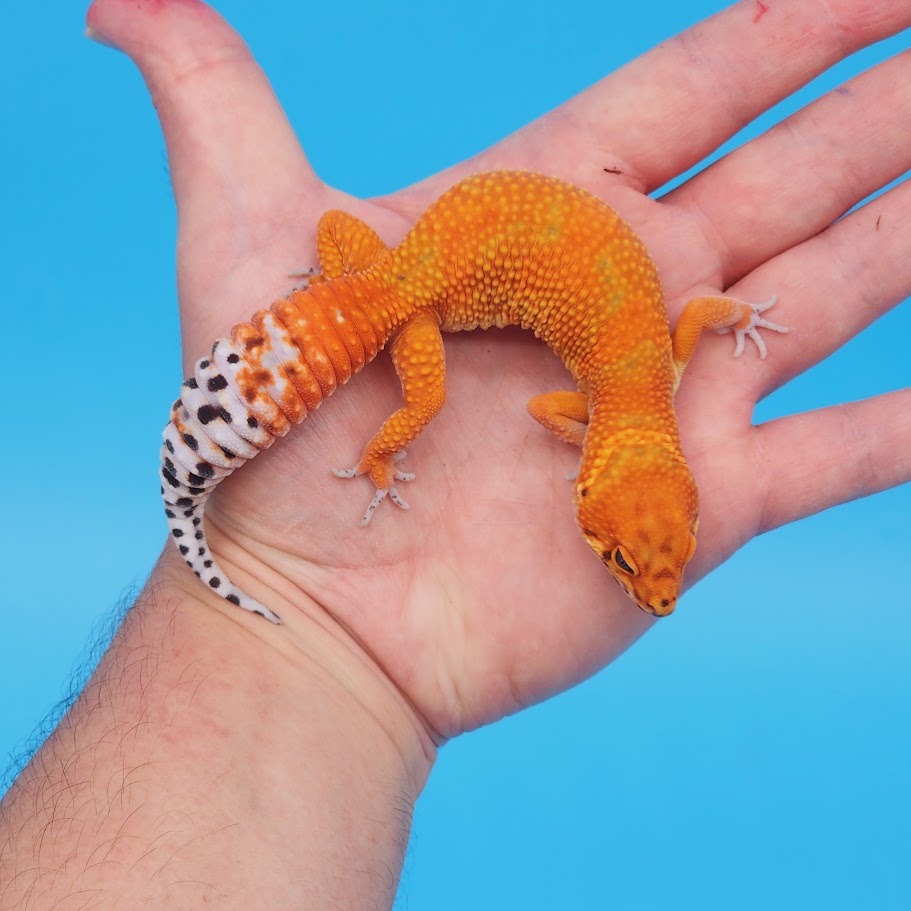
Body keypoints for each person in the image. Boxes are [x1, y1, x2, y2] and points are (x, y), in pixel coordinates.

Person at [2, 0, 909, 906]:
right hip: (426, 296)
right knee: (422, 399)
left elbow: (678, 329)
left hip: (405, 257)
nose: (655, 587)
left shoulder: (640, 383)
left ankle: (335, 362)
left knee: (351, 277)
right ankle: (379, 461)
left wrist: (730, 313)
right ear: (624, 481)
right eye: (633, 558)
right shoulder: (618, 402)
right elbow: (564, 402)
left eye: (635, 560)